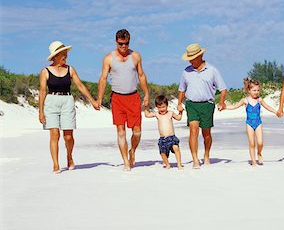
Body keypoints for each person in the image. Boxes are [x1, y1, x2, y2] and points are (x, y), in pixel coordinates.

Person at [39, 41, 100, 173]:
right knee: (54, 134)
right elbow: (42, 91)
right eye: (63, 54)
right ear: (55, 56)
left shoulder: (70, 69)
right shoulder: (45, 71)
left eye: (66, 54)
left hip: (67, 101)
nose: (65, 56)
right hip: (51, 102)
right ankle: (56, 164)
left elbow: (81, 86)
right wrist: (41, 112)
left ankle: (69, 156)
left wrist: (93, 101)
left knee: (68, 136)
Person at [97, 29, 150, 171]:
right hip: (117, 98)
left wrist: (146, 94)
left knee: (137, 132)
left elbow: (141, 75)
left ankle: (132, 150)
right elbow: (103, 79)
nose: (124, 47)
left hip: (133, 97)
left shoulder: (136, 56)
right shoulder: (108, 58)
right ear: (116, 42)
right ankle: (126, 162)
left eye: (126, 44)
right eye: (121, 44)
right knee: (121, 131)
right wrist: (99, 98)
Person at [177, 43, 227, 169]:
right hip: (191, 104)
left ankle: (206, 155)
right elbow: (182, 89)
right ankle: (195, 159)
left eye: (193, 58)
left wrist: (221, 102)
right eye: (189, 58)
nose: (191, 61)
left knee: (206, 134)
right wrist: (179, 103)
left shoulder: (212, 70)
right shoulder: (186, 72)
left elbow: (223, 89)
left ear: (201, 55)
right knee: (193, 130)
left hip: (207, 105)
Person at [225, 78, 278, 166]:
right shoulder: (245, 100)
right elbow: (234, 106)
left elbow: (268, 107)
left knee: (260, 142)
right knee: (252, 143)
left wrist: (276, 112)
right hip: (249, 124)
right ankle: (253, 161)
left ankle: (259, 153)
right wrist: (225, 108)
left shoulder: (259, 100)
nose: (256, 92)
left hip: (258, 123)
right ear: (249, 90)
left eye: (258, 90)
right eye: (254, 90)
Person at [144, 95, 183, 170]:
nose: (162, 109)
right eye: (159, 107)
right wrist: (146, 107)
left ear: (167, 106)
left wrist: (181, 111)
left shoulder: (170, 113)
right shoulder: (157, 114)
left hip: (172, 137)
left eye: (163, 107)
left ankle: (179, 164)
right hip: (163, 138)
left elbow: (179, 118)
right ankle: (167, 164)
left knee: (176, 148)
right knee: (162, 153)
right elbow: (147, 115)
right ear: (156, 107)